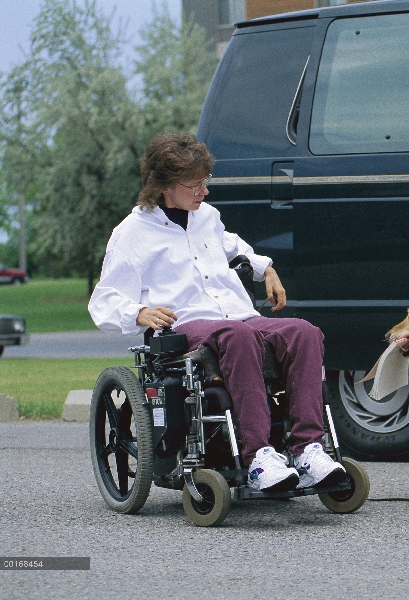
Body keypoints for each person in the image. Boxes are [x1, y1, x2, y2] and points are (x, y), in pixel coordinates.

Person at [89, 132, 345, 492]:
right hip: (187, 325)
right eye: (194, 185)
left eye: (204, 181)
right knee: (237, 336)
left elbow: (235, 248)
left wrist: (265, 269)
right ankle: (258, 457)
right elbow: (104, 299)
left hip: (238, 318)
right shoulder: (131, 233)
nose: (204, 191)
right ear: (164, 185)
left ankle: (308, 450)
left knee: (303, 331)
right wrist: (139, 312)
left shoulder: (206, 216)